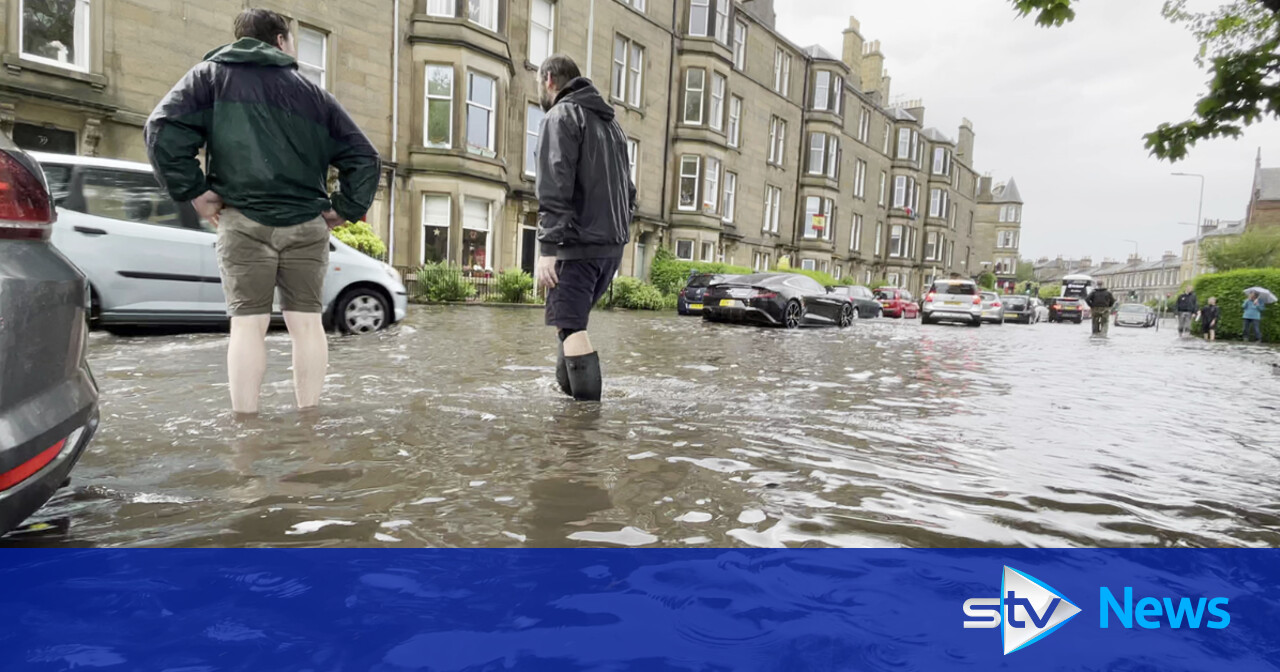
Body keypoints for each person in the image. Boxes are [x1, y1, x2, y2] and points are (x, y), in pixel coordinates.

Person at [145, 9, 380, 415]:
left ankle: (246, 431)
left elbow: (161, 129)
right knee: (306, 326)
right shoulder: (314, 95)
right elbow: (364, 157)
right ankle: (309, 421)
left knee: (247, 326)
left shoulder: (210, 77)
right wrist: (344, 209)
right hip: (307, 225)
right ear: (281, 41)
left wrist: (196, 193)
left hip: (242, 221)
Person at [534, 54, 635, 402]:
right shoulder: (613, 127)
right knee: (568, 323)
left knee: (572, 326)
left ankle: (584, 433)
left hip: (576, 246)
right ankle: (568, 409)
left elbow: (554, 183)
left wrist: (548, 249)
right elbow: (629, 191)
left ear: (549, 80)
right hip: (610, 248)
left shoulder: (560, 116)